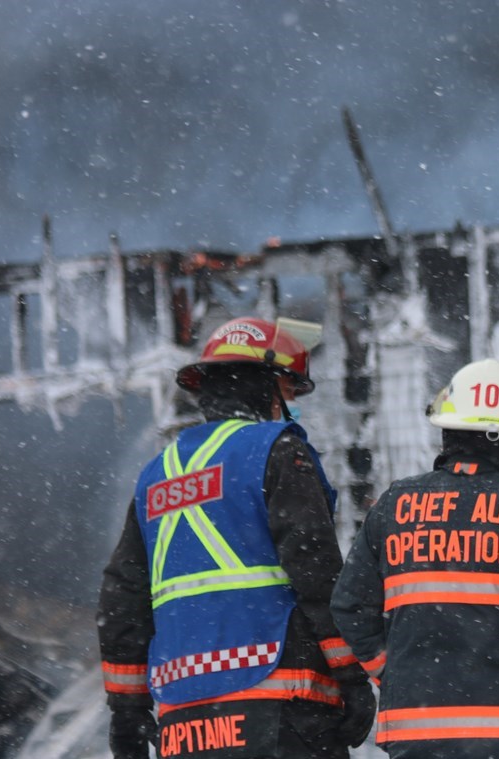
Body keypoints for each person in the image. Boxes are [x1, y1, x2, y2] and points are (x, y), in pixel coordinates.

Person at [96, 316, 375, 759]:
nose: (291, 405)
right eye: (289, 391)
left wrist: (127, 711)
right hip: (281, 703)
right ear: (264, 386)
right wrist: (351, 675)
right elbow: (317, 575)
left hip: (184, 717)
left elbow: (122, 601)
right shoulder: (276, 450)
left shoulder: (156, 476)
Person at [330, 358, 499, 759]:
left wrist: (389, 673)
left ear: (447, 432)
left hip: (417, 731)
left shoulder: (395, 505)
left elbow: (350, 606)